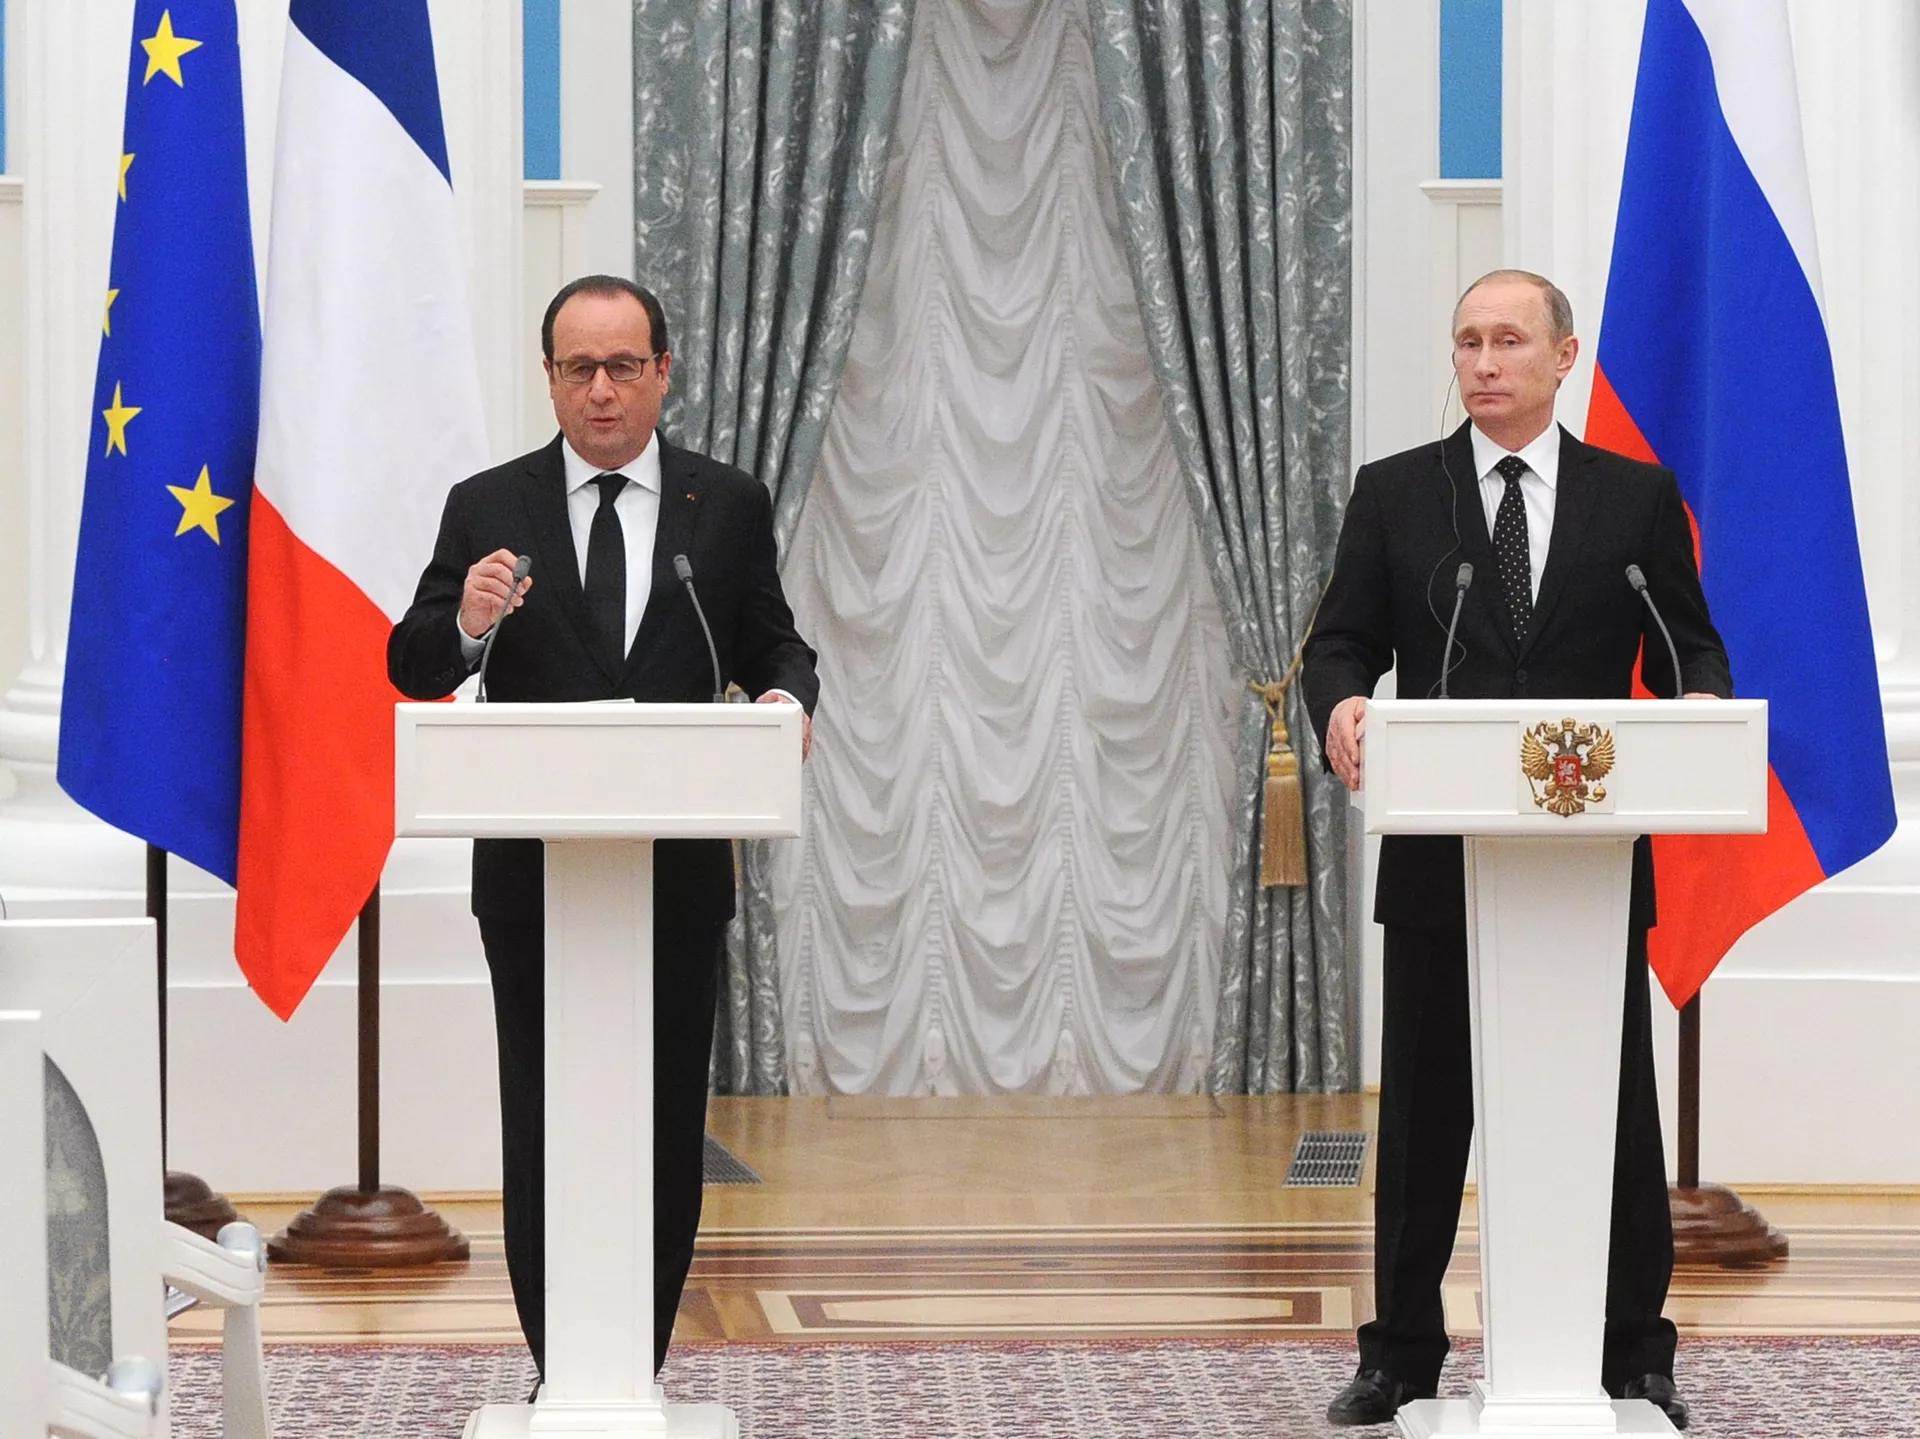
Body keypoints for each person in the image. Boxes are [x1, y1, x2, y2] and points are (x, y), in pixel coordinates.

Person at [1303, 270, 1729, 1429]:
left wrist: (1698, 701)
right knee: (1424, 1115)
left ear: (1563, 356)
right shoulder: (1399, 492)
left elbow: (1691, 648)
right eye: (1468, 343)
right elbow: (1339, 644)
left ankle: (1634, 1350)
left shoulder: (1634, 499)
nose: (1484, 362)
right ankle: (1400, 1354)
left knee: (1614, 1111)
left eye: (1508, 341)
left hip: (1586, 868)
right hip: (1442, 859)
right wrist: (1343, 704)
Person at [387, 275, 819, 1383]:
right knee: (542, 1118)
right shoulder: (491, 504)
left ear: (663, 372)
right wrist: (469, 619)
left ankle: (634, 1361)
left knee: (666, 1118)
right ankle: (560, 1366)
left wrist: (786, 698)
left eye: (624, 365)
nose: (602, 390)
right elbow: (415, 662)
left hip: (676, 874)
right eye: (579, 367)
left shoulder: (725, 505)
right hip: (533, 879)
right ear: (549, 377)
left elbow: (773, 644)